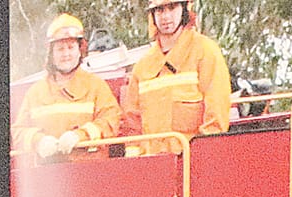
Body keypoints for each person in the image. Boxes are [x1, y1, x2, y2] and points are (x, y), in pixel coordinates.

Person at [122, 0, 232, 143]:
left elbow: (216, 116)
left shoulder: (205, 52)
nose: (166, 16)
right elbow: (133, 124)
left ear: (185, 9)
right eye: (160, 10)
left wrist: (202, 153)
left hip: (191, 160)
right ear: (152, 15)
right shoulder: (143, 66)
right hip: (152, 161)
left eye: (172, 8)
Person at [13, 14, 121, 159]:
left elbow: (111, 121)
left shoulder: (97, 87)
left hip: (91, 172)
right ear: (51, 53)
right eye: (60, 49)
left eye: (70, 47)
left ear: (80, 50)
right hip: (47, 175)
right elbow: (18, 131)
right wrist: (38, 141)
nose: (66, 54)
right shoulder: (35, 93)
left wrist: (80, 136)